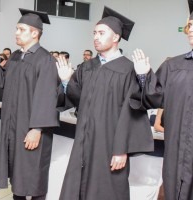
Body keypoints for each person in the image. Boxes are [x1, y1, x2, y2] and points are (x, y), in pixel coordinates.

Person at [57, 6, 153, 199]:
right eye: (94, 33)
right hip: (83, 141)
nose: (96, 37)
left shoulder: (128, 69)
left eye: (102, 33)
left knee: (106, 189)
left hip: (110, 145)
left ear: (116, 37)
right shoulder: (87, 67)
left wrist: (122, 149)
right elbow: (78, 101)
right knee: (78, 186)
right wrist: (67, 81)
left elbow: (133, 112)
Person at [0, 8, 59, 200]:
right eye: (16, 29)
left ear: (34, 33)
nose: (16, 33)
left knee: (33, 173)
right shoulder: (15, 56)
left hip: (30, 126)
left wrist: (37, 129)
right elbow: (3, 82)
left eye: (21, 29)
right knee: (17, 173)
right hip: (13, 125)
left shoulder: (45, 59)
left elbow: (47, 97)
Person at [130, 7, 193, 200]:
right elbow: (152, 97)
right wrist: (143, 77)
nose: (190, 29)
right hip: (177, 152)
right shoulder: (173, 66)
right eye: (189, 25)